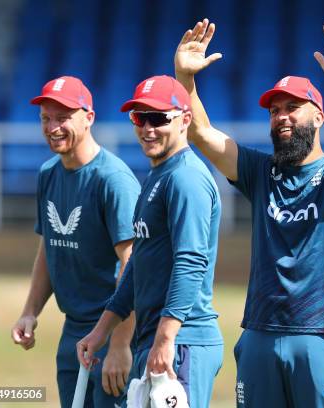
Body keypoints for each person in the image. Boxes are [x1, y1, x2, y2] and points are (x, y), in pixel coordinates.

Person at [174, 19, 324, 407]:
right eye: (274, 110)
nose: (281, 117)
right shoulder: (260, 172)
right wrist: (184, 77)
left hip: (319, 338)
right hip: (259, 337)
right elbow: (199, 133)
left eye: (293, 108)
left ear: (318, 116)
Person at [76, 75, 224, 408]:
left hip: (181, 341)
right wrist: (102, 331)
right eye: (139, 118)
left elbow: (190, 261)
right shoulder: (159, 175)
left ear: (185, 119)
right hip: (156, 340)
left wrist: (166, 337)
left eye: (158, 118)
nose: (147, 128)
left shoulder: (186, 177)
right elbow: (138, 265)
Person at [11, 76, 140, 407]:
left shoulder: (113, 180)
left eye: (63, 117)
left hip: (112, 329)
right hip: (74, 332)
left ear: (89, 118)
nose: (53, 127)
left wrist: (121, 344)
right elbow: (50, 246)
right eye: (46, 118)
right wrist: (30, 312)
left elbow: (134, 264)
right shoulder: (48, 173)